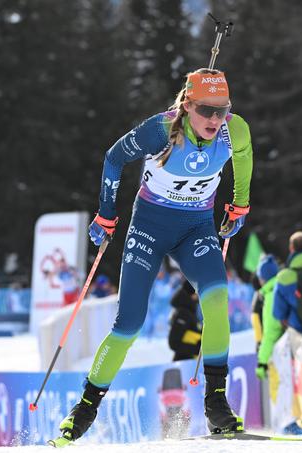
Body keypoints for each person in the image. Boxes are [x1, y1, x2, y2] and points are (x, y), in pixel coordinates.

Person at [51, 67, 253, 445]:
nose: (215, 119)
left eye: (222, 110)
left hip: (196, 228)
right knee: (129, 323)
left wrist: (239, 205)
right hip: (149, 228)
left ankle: (216, 403)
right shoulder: (161, 130)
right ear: (187, 105)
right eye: (206, 110)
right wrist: (106, 215)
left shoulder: (234, 129)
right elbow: (113, 158)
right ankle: (85, 408)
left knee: (217, 298)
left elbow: (243, 158)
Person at [252, 254, 281, 380]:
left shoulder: (270, 295)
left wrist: (261, 362)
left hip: (279, 351)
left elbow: (270, 331)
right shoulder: (282, 287)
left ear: (263, 278)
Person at [167, 280, 202, 361]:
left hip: (190, 363)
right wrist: (197, 349)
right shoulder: (183, 313)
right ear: (193, 293)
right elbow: (174, 342)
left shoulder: (189, 310)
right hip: (184, 364)